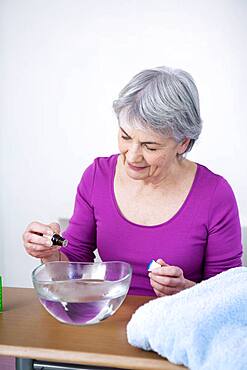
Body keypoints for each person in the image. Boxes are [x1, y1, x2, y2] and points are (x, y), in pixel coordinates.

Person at [23, 66, 243, 297]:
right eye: (125, 137)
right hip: (108, 316)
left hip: (179, 326)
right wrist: (48, 254)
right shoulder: (98, 177)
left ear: (183, 143)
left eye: (150, 146)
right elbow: (72, 271)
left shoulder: (215, 195)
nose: (132, 156)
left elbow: (228, 296)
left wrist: (186, 291)